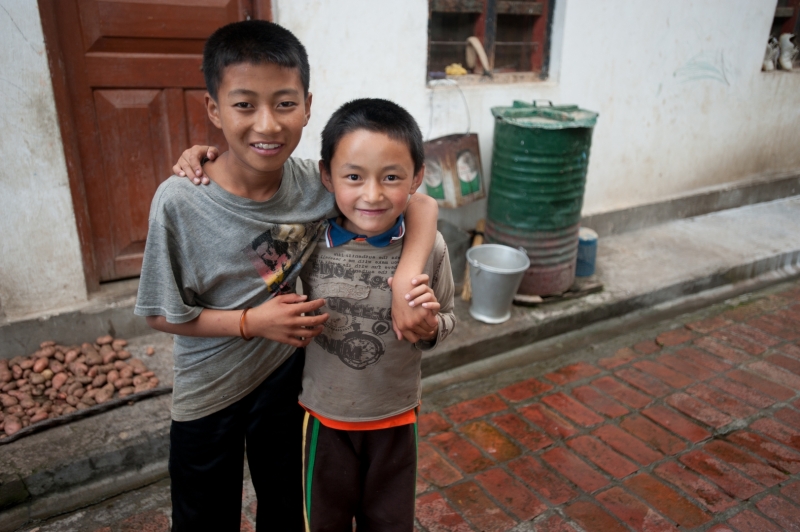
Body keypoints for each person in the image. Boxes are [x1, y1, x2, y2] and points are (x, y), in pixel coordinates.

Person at [136, 20, 438, 531]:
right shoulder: (181, 201)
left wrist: (406, 280)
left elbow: (422, 202)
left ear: (307, 104)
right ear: (214, 110)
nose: (267, 125)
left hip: (285, 380)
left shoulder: (314, 184)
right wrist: (251, 322)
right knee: (203, 516)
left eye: (283, 103)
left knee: (288, 509)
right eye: (244, 105)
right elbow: (162, 314)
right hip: (209, 388)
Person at [298, 98, 456, 531]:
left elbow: (448, 320)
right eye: (353, 177)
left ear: (417, 178)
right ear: (327, 176)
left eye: (391, 177)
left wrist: (429, 329)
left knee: (390, 523)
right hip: (324, 419)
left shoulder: (430, 249)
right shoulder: (308, 241)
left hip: (396, 418)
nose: (372, 194)